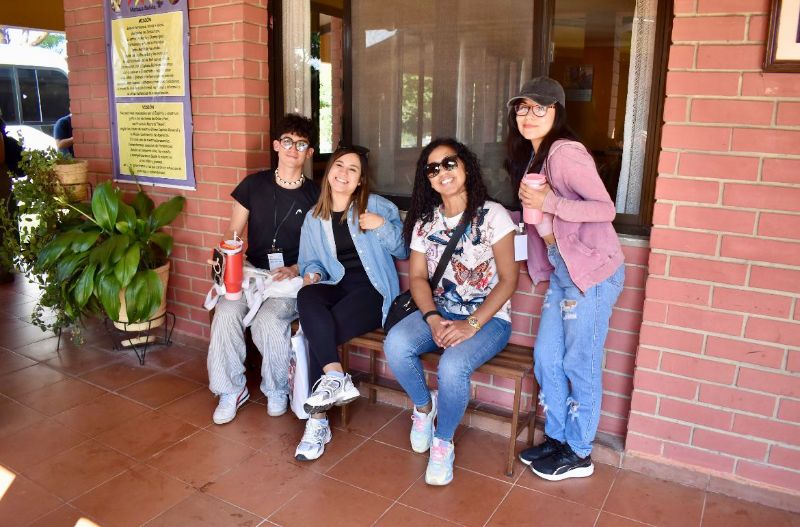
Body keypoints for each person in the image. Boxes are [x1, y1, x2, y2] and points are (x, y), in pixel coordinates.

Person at [505, 76, 625, 481]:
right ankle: (557, 438)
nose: (528, 115)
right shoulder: (534, 157)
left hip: (589, 272)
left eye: (539, 107)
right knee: (546, 358)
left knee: (580, 361)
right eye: (522, 107)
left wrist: (550, 201)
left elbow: (604, 209)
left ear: (556, 112)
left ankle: (579, 451)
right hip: (563, 271)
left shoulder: (565, 153)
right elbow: (537, 216)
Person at [384, 138, 518, 486]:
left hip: (489, 319)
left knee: (453, 365)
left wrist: (471, 325)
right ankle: (423, 408)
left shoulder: (493, 215)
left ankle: (443, 442)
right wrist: (431, 318)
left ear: (465, 167)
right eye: (433, 169)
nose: (442, 172)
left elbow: (509, 280)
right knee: (396, 343)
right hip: (440, 310)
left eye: (449, 163)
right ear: (427, 180)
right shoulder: (425, 222)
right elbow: (417, 277)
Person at [294, 144, 406, 461]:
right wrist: (313, 274)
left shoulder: (377, 207)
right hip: (337, 285)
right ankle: (334, 376)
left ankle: (317, 422)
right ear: (329, 171)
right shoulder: (315, 217)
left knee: (319, 333)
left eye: (352, 169)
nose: (343, 173)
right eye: (339, 165)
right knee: (306, 295)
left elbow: (402, 250)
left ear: (360, 180)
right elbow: (309, 262)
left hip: (373, 292)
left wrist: (382, 227)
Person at [207, 114, 319, 424]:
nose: (293, 149)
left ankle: (277, 389)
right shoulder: (253, 185)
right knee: (226, 312)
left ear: (309, 152)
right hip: (252, 273)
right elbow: (232, 235)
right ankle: (231, 390)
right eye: (287, 141)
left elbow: (320, 248)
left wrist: (296, 267)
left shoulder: (315, 195)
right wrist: (226, 259)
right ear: (276, 145)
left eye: (301, 144)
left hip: (290, 278)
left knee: (268, 320)